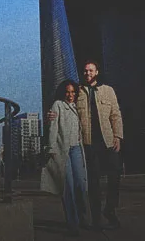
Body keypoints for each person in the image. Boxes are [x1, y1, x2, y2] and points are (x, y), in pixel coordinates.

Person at [49, 60, 124, 230]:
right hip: (88, 144)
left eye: (91, 71)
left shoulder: (108, 91)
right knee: (93, 181)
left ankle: (110, 209)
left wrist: (118, 136)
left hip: (108, 140)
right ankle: (96, 217)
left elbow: (116, 114)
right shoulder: (78, 92)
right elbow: (64, 105)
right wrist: (51, 115)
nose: (88, 73)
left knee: (115, 174)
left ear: (96, 72)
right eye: (85, 71)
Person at [41, 80, 89, 237]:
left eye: (73, 92)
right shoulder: (58, 105)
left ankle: (83, 216)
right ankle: (72, 223)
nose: (71, 95)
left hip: (77, 149)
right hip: (63, 150)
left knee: (81, 184)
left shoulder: (77, 107)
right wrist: (51, 148)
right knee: (67, 187)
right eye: (68, 92)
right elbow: (53, 128)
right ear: (63, 92)